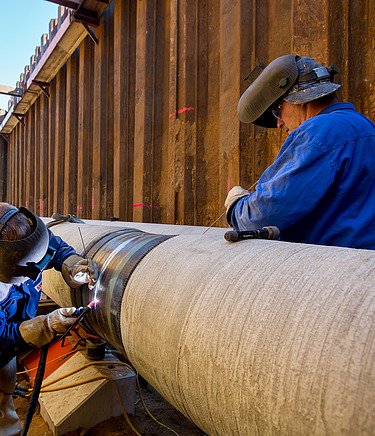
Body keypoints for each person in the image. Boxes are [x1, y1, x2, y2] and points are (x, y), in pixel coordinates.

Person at [225, 54, 375, 249]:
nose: (279, 123)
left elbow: (265, 214)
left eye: (278, 110)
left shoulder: (316, 132)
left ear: (300, 99)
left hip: (327, 268)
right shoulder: (366, 126)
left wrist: (237, 207)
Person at [0, 203, 98, 435]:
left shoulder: (25, 237)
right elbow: (2, 337)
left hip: (7, 352)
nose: (37, 271)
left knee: (4, 396)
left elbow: (54, 249)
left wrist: (72, 265)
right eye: (27, 268)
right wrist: (44, 325)